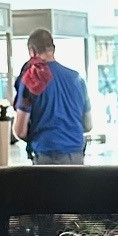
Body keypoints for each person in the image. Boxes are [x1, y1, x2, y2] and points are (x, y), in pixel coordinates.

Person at [13, 27, 91, 165]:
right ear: (53, 48)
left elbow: (20, 131)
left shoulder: (31, 80)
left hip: (45, 156)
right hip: (75, 156)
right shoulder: (77, 79)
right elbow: (88, 124)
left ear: (32, 51)